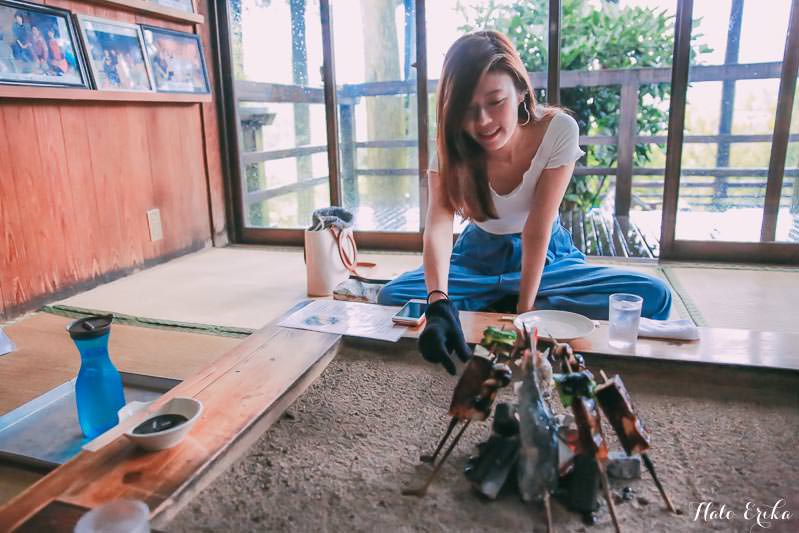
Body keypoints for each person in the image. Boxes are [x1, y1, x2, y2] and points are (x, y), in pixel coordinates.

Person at [376, 31, 671, 374]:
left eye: (495, 101)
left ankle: (500, 303)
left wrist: (525, 313)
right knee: (391, 297)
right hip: (475, 259)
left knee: (654, 295)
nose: (483, 121)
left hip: (547, 260)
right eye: (468, 109)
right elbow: (439, 225)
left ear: (520, 91)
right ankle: (503, 301)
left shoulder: (558, 129)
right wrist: (439, 302)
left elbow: (537, 228)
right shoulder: (451, 145)